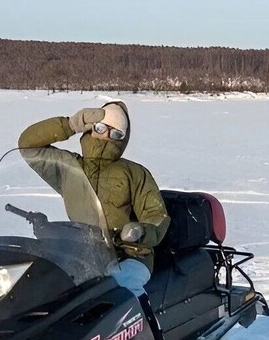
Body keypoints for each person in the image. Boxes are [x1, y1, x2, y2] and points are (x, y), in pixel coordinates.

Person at [17, 101, 170, 319]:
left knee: (123, 289)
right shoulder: (70, 168)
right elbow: (28, 145)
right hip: (83, 251)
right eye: (101, 128)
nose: (107, 137)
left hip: (129, 255)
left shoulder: (134, 173)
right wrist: (70, 124)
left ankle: (151, 338)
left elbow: (157, 215)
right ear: (91, 127)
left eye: (116, 134)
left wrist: (140, 231)